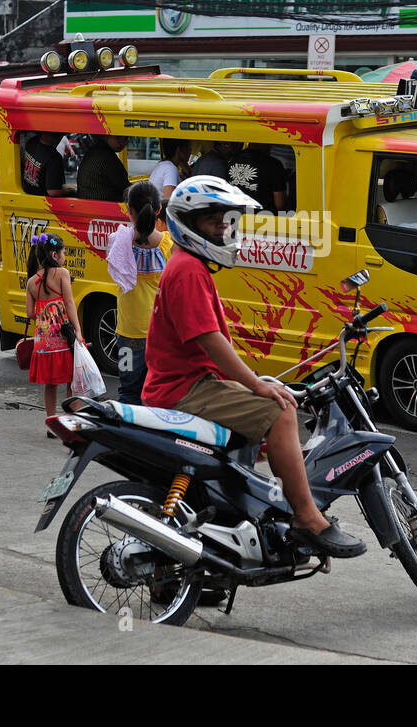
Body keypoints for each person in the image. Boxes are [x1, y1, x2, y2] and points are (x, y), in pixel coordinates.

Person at [143, 176, 366, 558]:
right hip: (183, 391)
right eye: (215, 222)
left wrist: (252, 381)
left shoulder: (191, 267)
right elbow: (210, 343)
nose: (225, 229)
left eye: (228, 221)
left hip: (191, 384)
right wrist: (257, 386)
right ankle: (307, 517)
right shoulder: (188, 271)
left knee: (265, 415)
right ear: (189, 224)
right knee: (280, 412)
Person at [105, 181, 172, 404]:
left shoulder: (117, 242)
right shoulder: (169, 246)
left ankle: (126, 434)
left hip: (127, 336)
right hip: (159, 335)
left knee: (127, 390)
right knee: (157, 393)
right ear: (159, 210)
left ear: (128, 209)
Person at [25, 233, 83, 425]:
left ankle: (50, 423)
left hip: (44, 343)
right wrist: (78, 330)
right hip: (63, 338)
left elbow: (30, 313)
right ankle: (71, 421)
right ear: (55, 255)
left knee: (50, 384)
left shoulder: (32, 281)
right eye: (63, 252)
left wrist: (44, 313)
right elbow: (69, 303)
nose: (64, 256)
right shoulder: (62, 274)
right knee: (72, 380)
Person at [227, 141, 287, 212]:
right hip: (262, 218)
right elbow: (280, 204)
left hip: (234, 215)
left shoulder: (231, 159)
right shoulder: (273, 164)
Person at [76, 134, 129, 201]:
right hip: (104, 206)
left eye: (126, 138)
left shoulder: (93, 151)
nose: (122, 142)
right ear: (106, 136)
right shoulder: (108, 157)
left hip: (86, 203)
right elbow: (124, 186)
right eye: (118, 137)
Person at [22, 131, 67, 197]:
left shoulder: (32, 142)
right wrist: (69, 190)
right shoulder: (54, 157)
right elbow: (53, 192)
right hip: (42, 201)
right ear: (58, 137)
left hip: (26, 193)